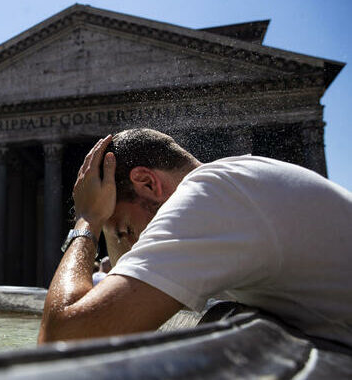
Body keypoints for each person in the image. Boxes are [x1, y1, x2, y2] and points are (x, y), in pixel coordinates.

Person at [38, 129, 352, 348]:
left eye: (126, 230)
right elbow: (124, 289)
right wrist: (112, 225)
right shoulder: (235, 186)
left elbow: (62, 341)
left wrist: (89, 219)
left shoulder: (210, 196)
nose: (131, 243)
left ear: (147, 183)